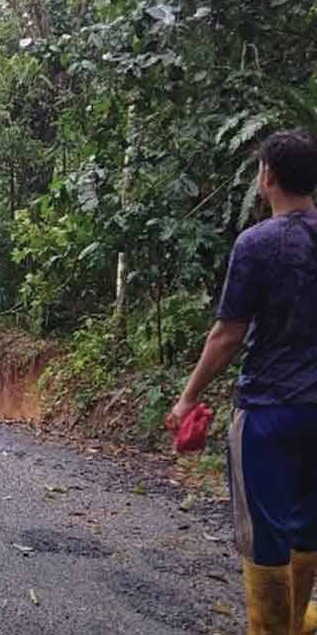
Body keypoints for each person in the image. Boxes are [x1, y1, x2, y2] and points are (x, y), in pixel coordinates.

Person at [167, 128, 317, 633]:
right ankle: (296, 622)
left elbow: (228, 334)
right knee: (308, 525)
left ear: (267, 177)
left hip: (269, 410)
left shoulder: (256, 244)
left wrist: (188, 399)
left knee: (266, 538)